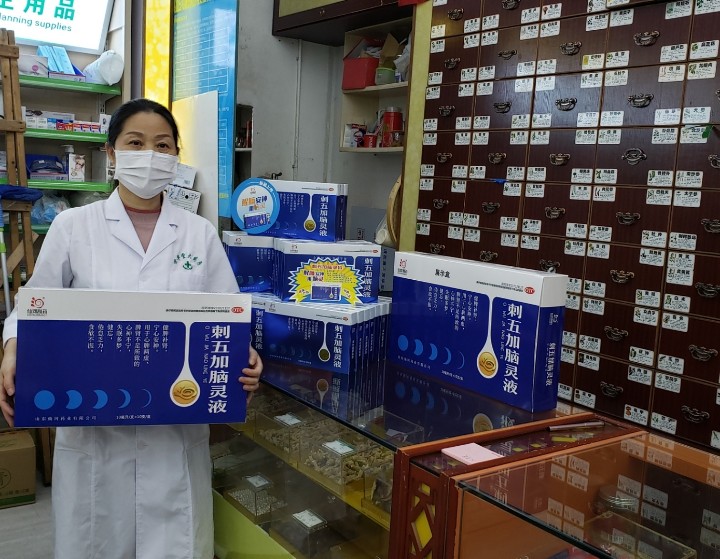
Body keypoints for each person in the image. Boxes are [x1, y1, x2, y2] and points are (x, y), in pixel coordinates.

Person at [0, 98, 263, 559]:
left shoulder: (198, 233)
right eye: (136, 143)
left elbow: (227, 315)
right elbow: (35, 306)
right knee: (95, 542)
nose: (150, 155)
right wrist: (13, 346)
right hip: (95, 434)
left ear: (176, 156)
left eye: (162, 145)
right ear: (112, 153)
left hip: (174, 431)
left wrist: (245, 354)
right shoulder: (72, 226)